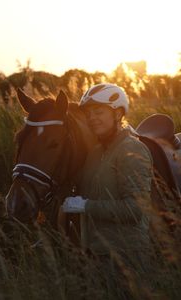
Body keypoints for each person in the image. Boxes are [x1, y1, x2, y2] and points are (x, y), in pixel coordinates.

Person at [62, 83, 154, 298]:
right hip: (96, 255)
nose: (92, 118)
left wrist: (86, 206)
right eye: (88, 113)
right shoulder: (95, 153)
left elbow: (135, 210)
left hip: (127, 257)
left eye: (99, 111)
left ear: (118, 113)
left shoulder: (132, 149)